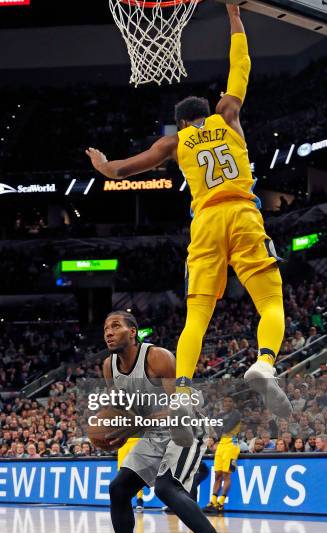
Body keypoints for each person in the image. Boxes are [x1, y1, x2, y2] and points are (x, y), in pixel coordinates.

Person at [86, 4, 291, 420]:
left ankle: (181, 391)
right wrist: (234, 13)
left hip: (207, 222)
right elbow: (242, 63)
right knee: (271, 301)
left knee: (197, 313)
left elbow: (124, 169)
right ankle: (264, 362)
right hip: (243, 211)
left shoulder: (175, 143)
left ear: (181, 124)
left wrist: (103, 166)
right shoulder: (228, 115)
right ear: (210, 110)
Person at [98, 311, 247, 533]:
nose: (108, 332)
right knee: (118, 489)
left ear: (133, 332)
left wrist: (136, 423)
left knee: (166, 487)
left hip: (185, 424)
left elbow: (181, 404)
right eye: (105, 328)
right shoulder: (109, 367)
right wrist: (116, 430)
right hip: (155, 432)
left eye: (115, 326)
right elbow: (123, 409)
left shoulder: (158, 357)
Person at [203, 396, 241, 513]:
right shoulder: (220, 415)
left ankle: (221, 502)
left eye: (230, 401)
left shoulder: (236, 414)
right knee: (217, 475)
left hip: (232, 446)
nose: (227, 403)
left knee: (226, 475)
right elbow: (214, 428)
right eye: (225, 401)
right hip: (221, 446)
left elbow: (225, 428)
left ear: (233, 403)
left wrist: (216, 427)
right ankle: (213, 501)